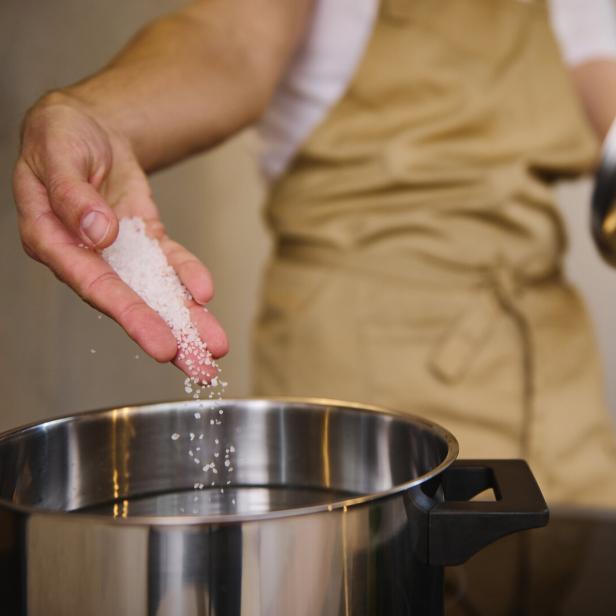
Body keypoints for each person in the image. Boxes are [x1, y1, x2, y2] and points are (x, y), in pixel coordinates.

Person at [12, 0, 616, 507]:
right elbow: (229, 43)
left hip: (556, 362)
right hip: (373, 360)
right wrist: (95, 112)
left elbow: (600, 78)